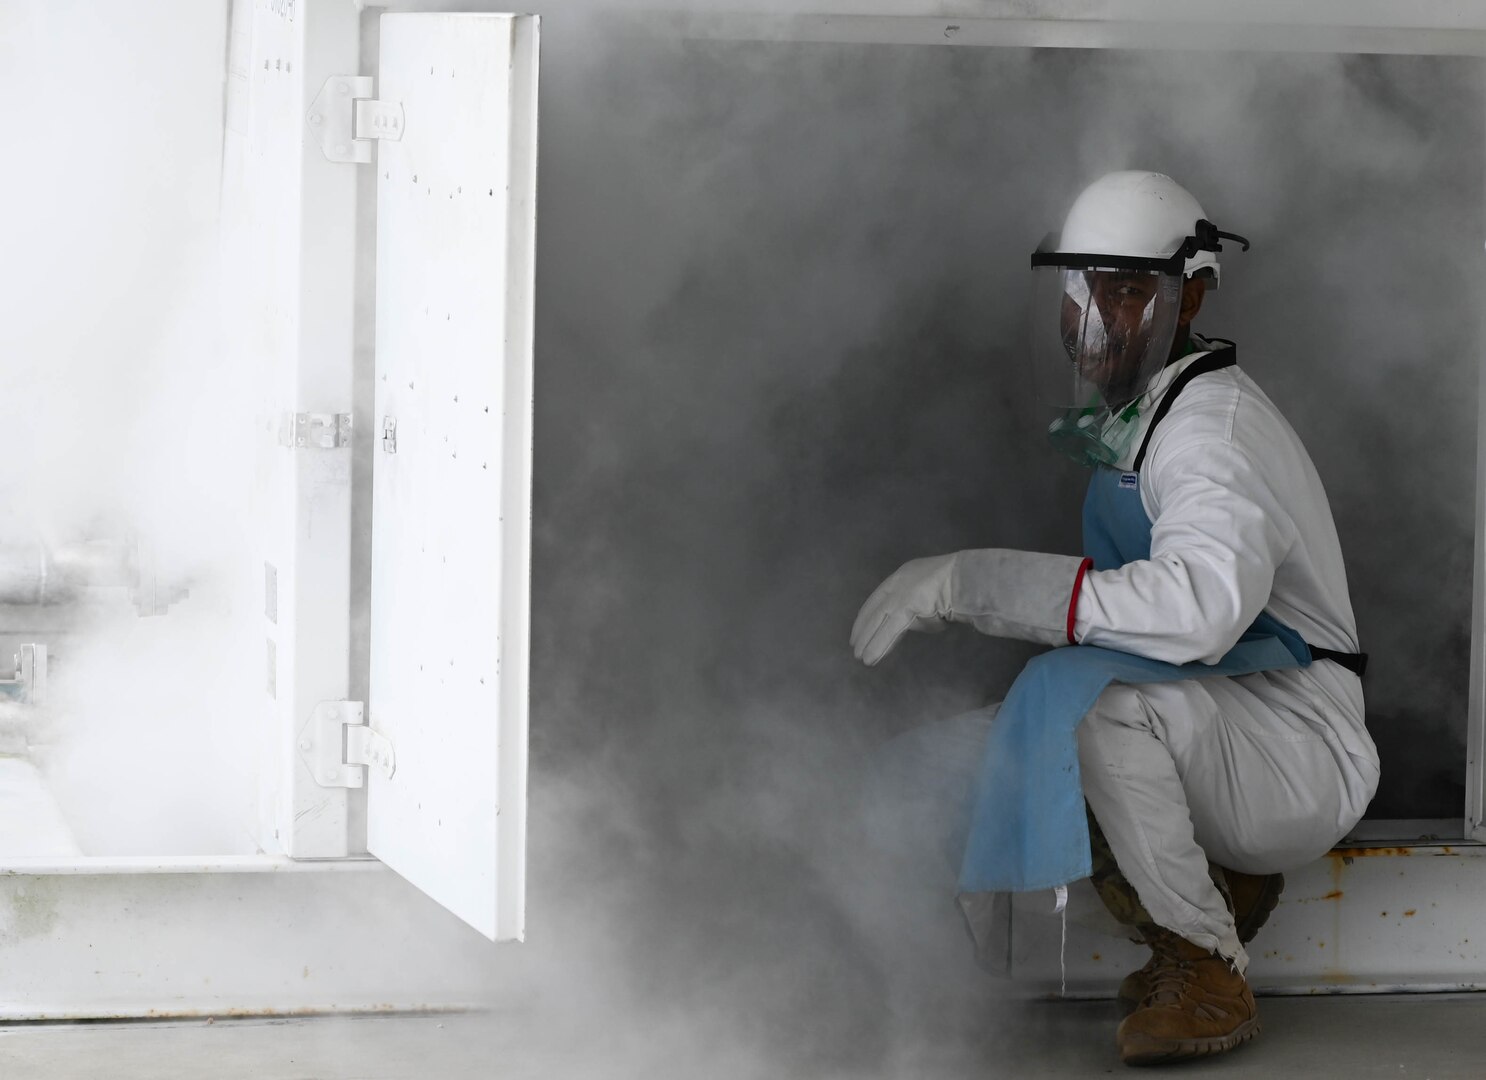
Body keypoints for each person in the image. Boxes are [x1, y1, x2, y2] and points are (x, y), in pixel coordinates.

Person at [850, 171, 1379, 1066]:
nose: (1092, 318)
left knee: (1089, 708)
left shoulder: (1212, 434)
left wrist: (973, 582)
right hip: (1216, 721)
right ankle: (901, 980)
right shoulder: (1149, 414)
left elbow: (1199, 611)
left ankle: (1205, 957)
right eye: (1078, 290)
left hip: (1295, 744)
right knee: (930, 769)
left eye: (1127, 291)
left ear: (1191, 296)